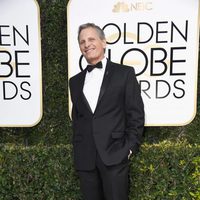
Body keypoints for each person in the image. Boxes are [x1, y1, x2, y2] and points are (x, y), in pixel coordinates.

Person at [69, 23, 144, 200]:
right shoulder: (75, 81)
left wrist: (129, 148)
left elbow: (135, 114)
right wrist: (78, 148)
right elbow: (78, 119)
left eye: (91, 39)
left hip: (115, 155)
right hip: (85, 158)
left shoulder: (124, 73)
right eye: (82, 41)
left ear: (103, 42)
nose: (86, 44)